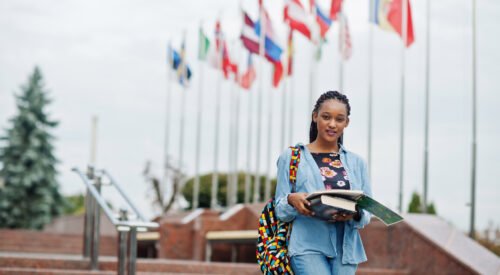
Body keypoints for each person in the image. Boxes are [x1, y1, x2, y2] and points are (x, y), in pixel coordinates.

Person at [275, 91, 372, 275]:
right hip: (306, 245)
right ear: (315, 116)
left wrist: (355, 214)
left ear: (346, 123)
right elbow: (279, 210)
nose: (332, 124)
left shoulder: (357, 163)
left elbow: (367, 212)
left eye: (339, 119)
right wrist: (291, 200)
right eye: (326, 117)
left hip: (346, 251)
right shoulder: (292, 157)